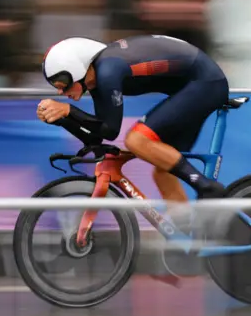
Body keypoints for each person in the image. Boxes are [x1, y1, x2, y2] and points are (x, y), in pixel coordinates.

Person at [37, 34, 229, 214]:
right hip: (195, 84)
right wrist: (62, 120)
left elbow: (111, 130)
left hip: (206, 83)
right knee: (163, 171)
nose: (61, 92)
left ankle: (207, 187)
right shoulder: (97, 78)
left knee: (136, 140)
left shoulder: (108, 70)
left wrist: (68, 110)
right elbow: (97, 135)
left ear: (77, 69)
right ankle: (190, 239)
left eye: (62, 83)